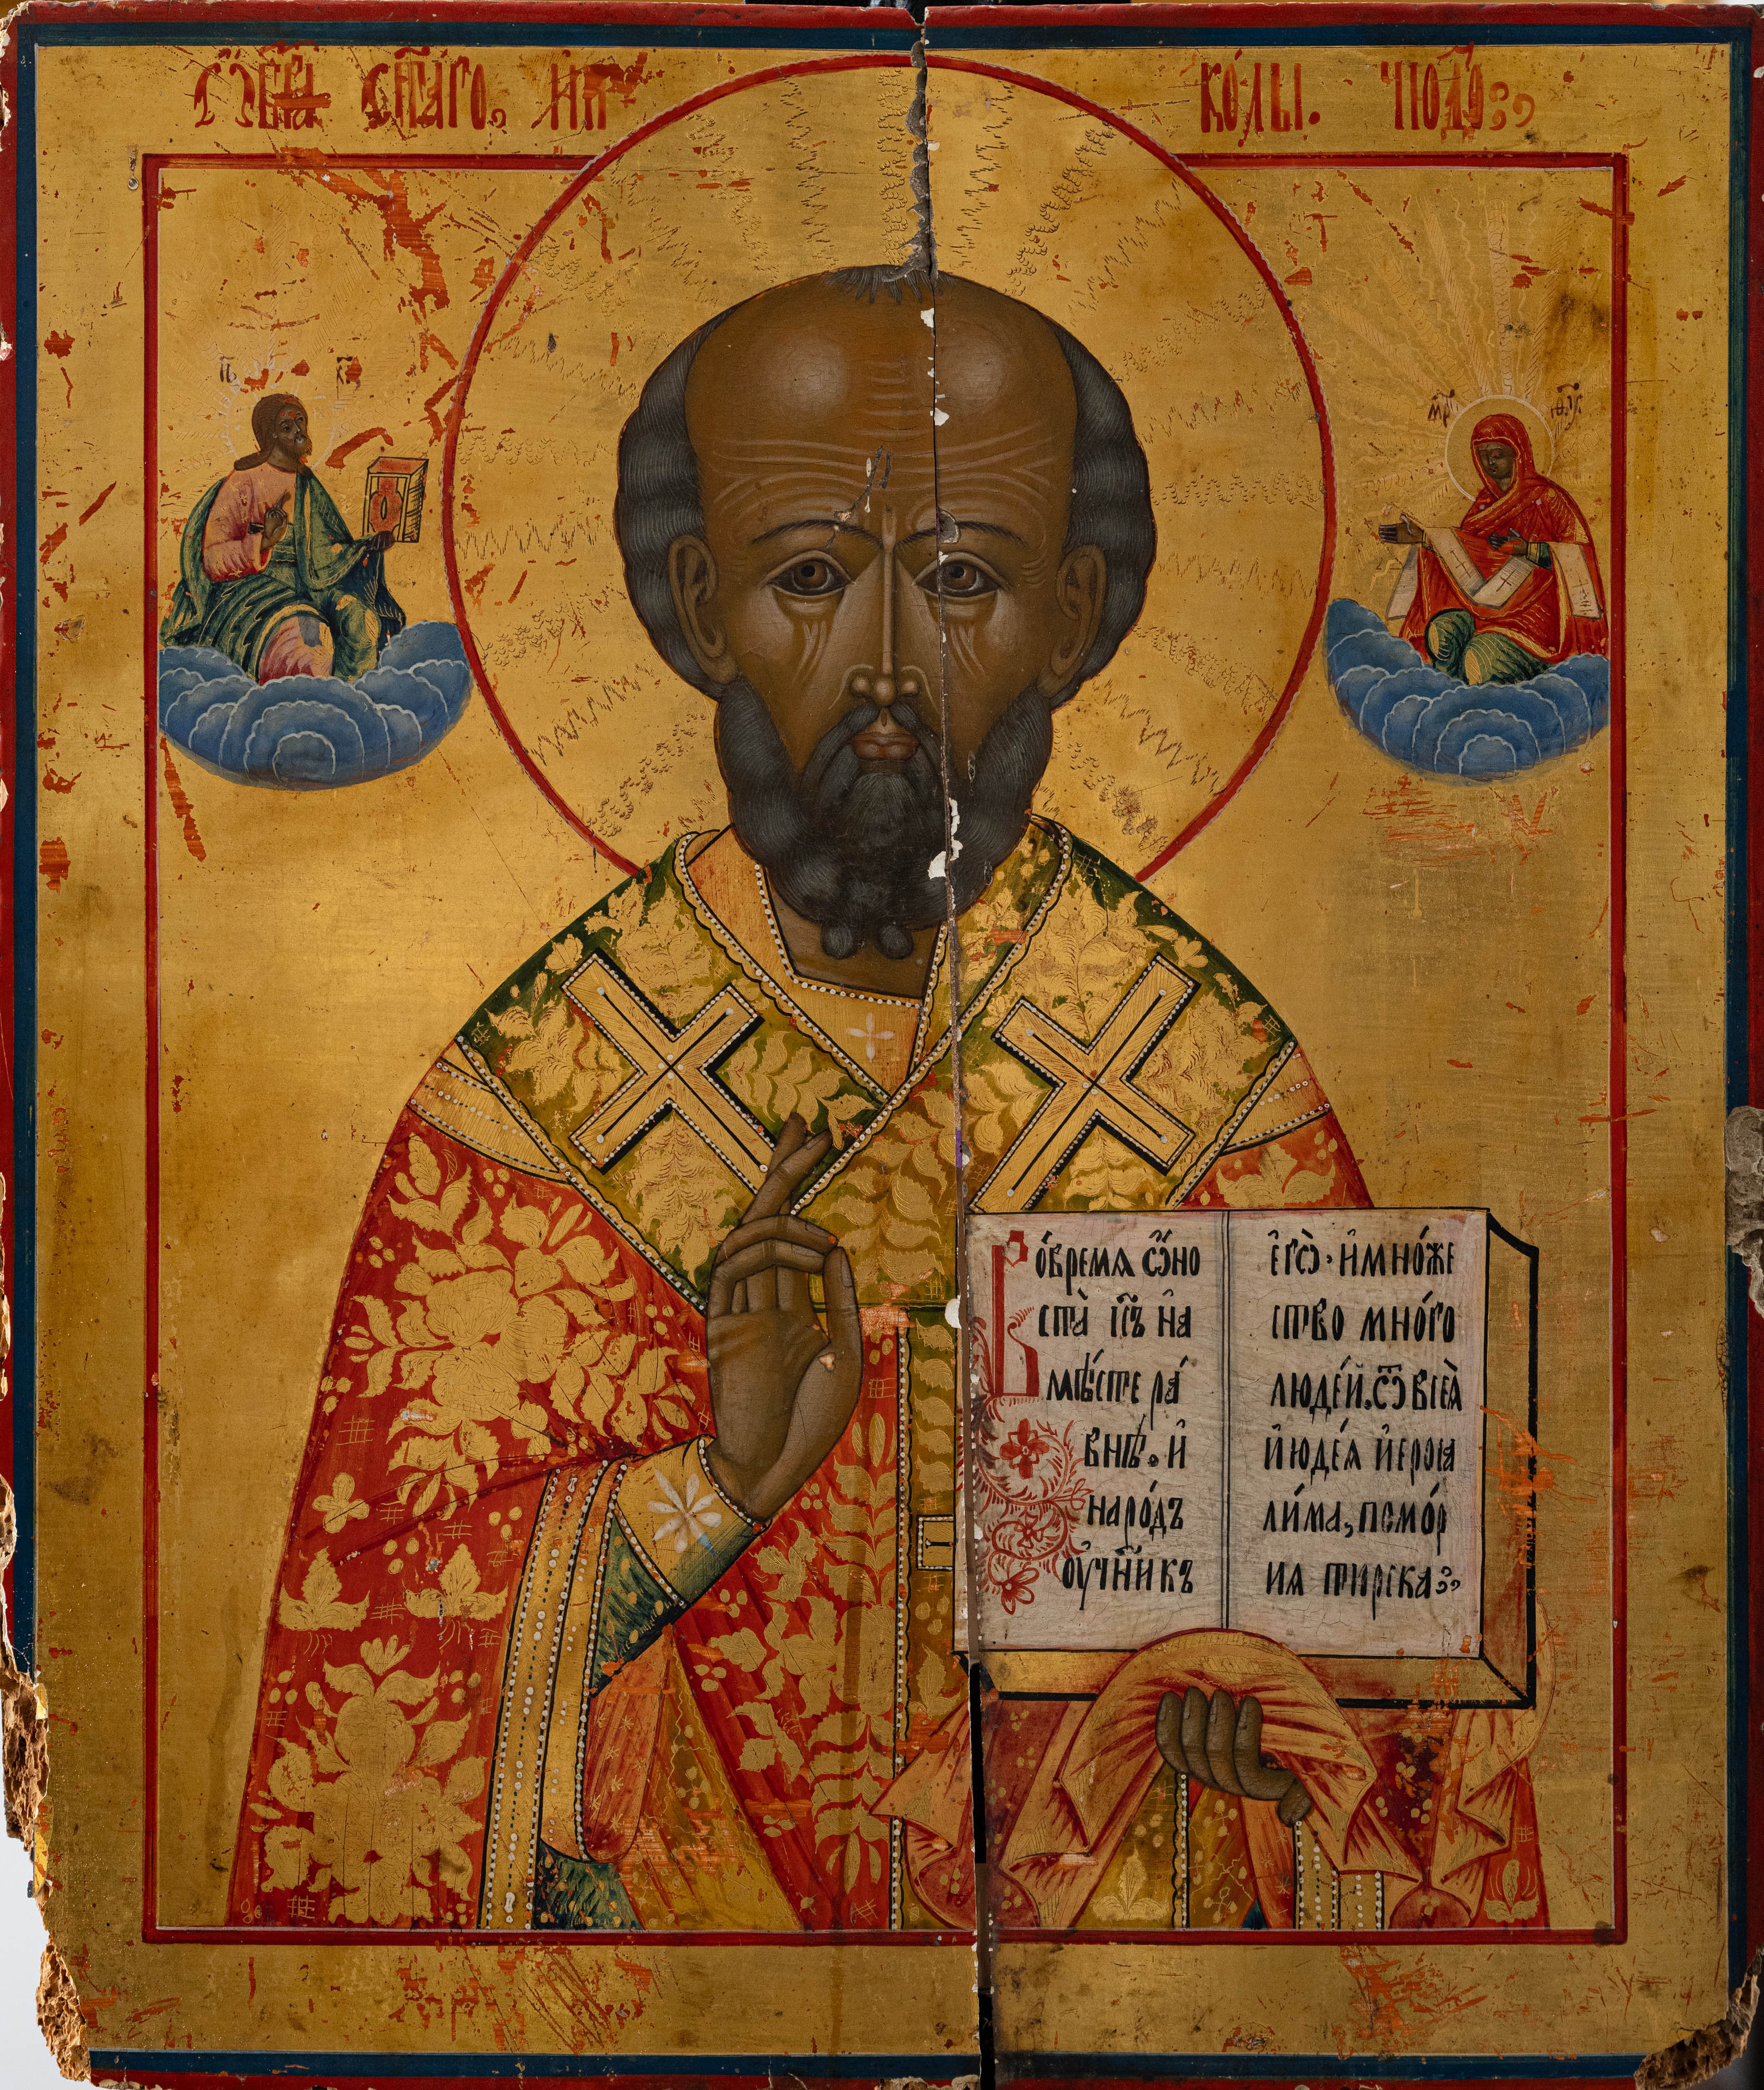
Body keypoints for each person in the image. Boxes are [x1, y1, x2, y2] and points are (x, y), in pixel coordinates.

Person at [229, 271, 1548, 1937]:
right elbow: (367, 1664)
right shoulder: (537, 1095)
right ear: (701, 603)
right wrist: (715, 1488)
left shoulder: (1209, 1089)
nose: (884, 664)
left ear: (1071, 614)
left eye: (962, 579)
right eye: (808, 576)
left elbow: (1415, 1699)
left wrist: (1285, 1737)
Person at [159, 392, 405, 683]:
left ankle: (350, 700)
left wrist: (367, 547)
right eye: (287, 427)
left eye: (301, 421)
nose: (298, 430)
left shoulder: (308, 483)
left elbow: (330, 547)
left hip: (313, 582)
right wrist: (264, 541)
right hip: (256, 586)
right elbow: (213, 560)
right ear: (271, 435)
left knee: (363, 624)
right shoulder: (245, 480)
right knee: (310, 650)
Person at [1381, 411, 1606, 684]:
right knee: (1441, 633)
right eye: (1483, 454)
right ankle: (1447, 699)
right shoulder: (1483, 506)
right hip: (1482, 611)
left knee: (1480, 656)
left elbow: (1578, 555)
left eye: (1498, 453)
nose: (1490, 461)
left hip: (1534, 617)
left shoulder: (1549, 499)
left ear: (1518, 454)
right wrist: (1424, 539)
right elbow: (1469, 555)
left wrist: (1529, 550)